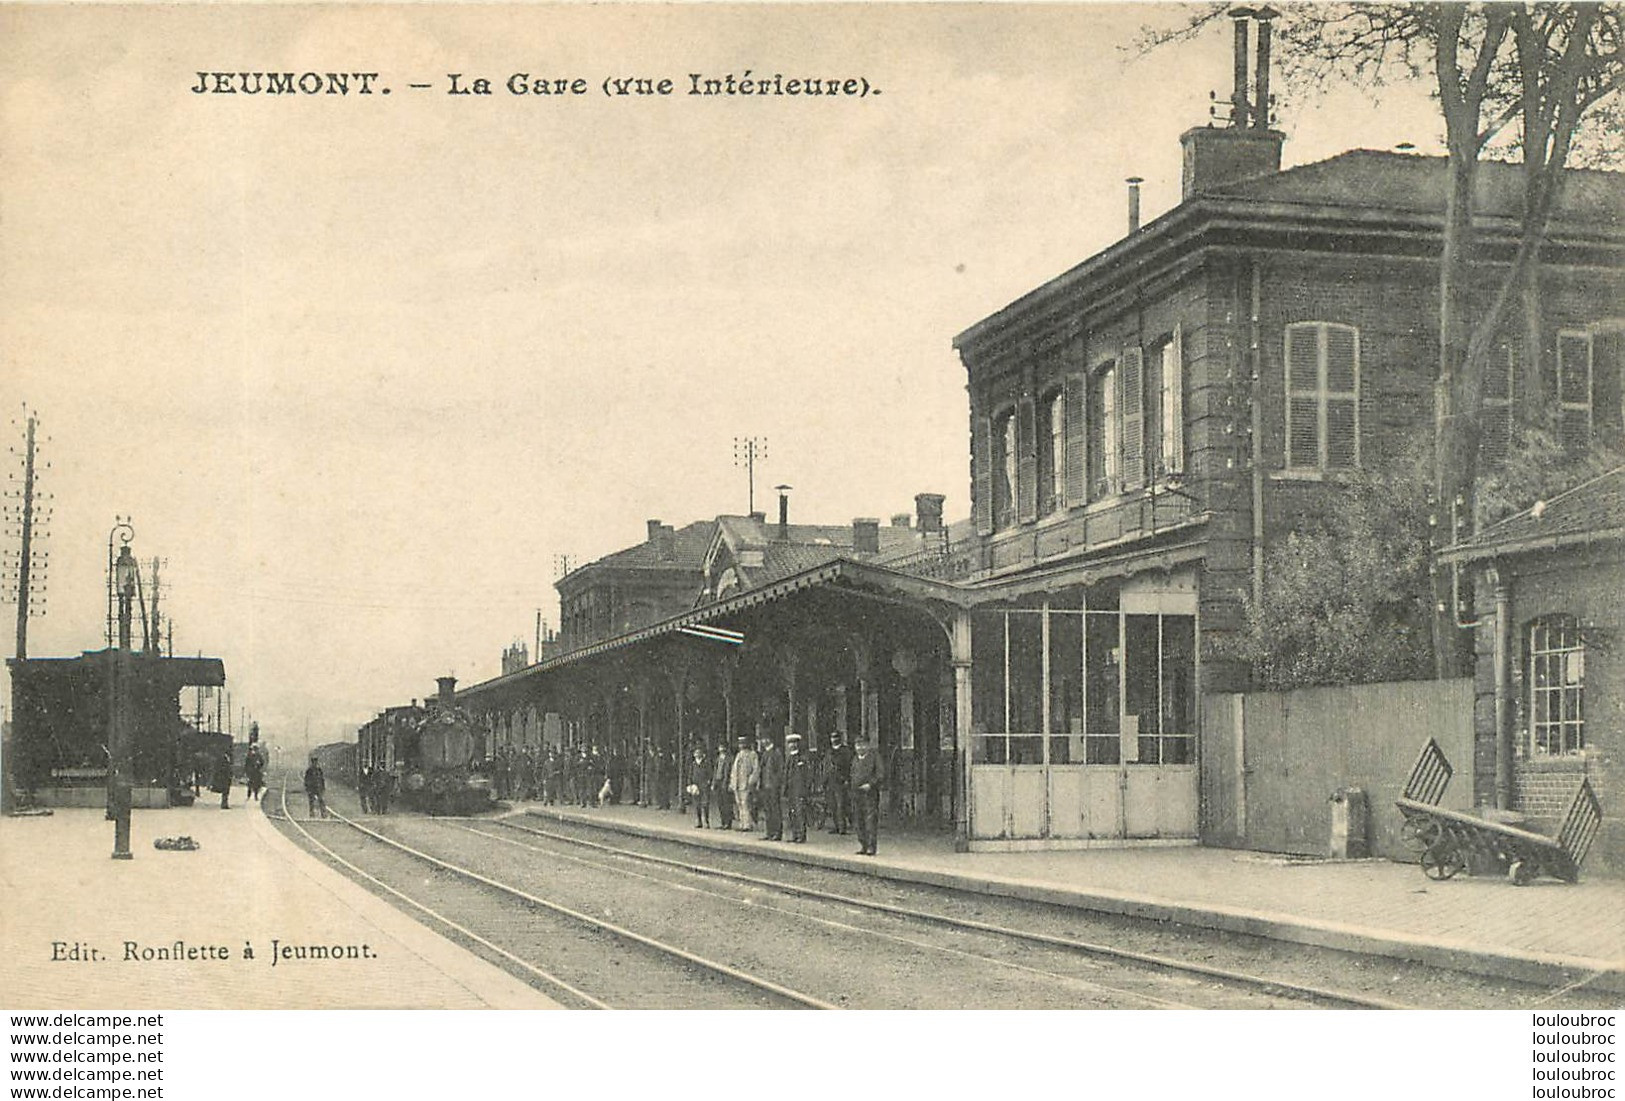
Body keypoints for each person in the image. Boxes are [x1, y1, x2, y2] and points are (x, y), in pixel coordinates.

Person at [850, 737, 885, 856]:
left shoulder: (874, 757)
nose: (860, 748)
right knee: (858, 820)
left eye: (862, 745)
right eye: (857, 745)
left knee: (870, 819)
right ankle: (863, 845)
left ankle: (871, 846)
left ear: (868, 745)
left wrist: (870, 784)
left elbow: (880, 774)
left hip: (869, 793)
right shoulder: (855, 759)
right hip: (856, 793)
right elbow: (852, 774)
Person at [727, 735, 759, 831]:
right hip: (737, 784)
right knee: (739, 804)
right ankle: (742, 823)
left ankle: (747, 825)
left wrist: (751, 781)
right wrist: (732, 783)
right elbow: (734, 771)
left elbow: (756, 769)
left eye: (743, 743)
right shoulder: (738, 755)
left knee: (746, 804)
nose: (741, 745)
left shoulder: (752, 755)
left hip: (746, 783)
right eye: (740, 744)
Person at [784, 733, 811, 843]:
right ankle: (795, 834)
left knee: (800, 812)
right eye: (790, 743)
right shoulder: (789, 758)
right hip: (791, 789)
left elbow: (807, 775)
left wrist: (806, 789)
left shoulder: (802, 758)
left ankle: (801, 835)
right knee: (792, 812)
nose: (791, 745)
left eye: (793, 743)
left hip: (799, 789)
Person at [826, 730, 853, 835]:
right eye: (832, 737)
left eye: (836, 737)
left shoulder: (845, 751)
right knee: (832, 805)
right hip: (831, 781)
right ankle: (837, 826)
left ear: (840, 739)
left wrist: (847, 779)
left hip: (841, 781)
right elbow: (826, 766)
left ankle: (842, 827)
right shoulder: (829, 751)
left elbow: (849, 766)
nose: (834, 740)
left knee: (840, 805)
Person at [758, 736, 785, 841]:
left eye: (764, 739)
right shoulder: (765, 753)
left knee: (775, 809)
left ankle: (777, 833)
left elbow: (780, 770)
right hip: (765, 785)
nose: (763, 741)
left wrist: (776, 783)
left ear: (770, 740)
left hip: (773, 786)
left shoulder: (776, 753)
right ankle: (769, 832)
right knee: (767, 809)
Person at [711, 742, 735, 829]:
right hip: (718, 781)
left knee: (727, 803)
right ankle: (723, 821)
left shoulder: (730, 759)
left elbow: (731, 772)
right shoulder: (718, 759)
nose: (721, 749)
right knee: (720, 803)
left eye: (722, 747)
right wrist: (713, 783)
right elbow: (715, 771)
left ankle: (728, 823)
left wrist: (730, 783)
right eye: (720, 747)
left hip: (725, 782)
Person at [687, 747, 711, 828]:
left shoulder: (706, 764)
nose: (697, 755)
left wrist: (708, 782)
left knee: (705, 804)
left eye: (698, 753)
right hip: (695, 786)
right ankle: (699, 821)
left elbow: (710, 773)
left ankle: (706, 821)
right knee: (697, 804)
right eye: (696, 753)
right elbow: (690, 775)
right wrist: (690, 784)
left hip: (704, 785)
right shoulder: (693, 764)